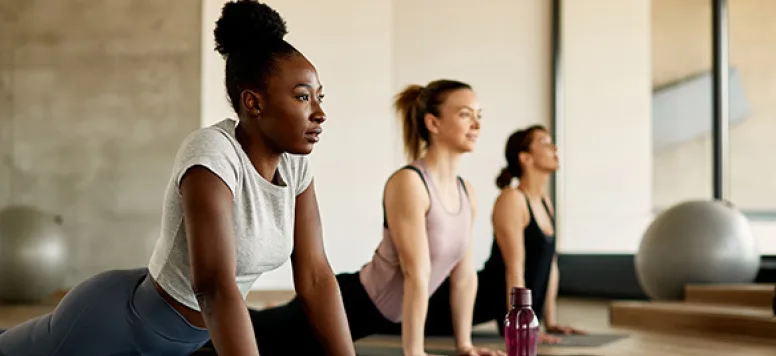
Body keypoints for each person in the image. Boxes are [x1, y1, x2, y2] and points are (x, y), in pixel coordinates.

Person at [0, 1, 355, 355]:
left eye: (320, 97)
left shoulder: (294, 167)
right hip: (111, 329)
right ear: (253, 102)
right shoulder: (212, 152)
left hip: (180, 341)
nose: (320, 113)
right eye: (303, 97)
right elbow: (214, 285)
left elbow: (315, 276)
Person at [243, 80, 504, 356]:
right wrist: (414, 352)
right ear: (433, 123)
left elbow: (464, 277)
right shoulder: (411, 183)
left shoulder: (466, 192)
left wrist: (465, 346)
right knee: (252, 333)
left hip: (380, 317)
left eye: (479, 115)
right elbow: (416, 272)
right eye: (465, 114)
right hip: (349, 304)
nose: (476, 124)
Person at [385, 125, 585, 344]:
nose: (554, 148)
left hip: (510, 306)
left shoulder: (545, 203)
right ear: (525, 158)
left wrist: (550, 320)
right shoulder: (512, 200)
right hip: (474, 302)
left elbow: (550, 264)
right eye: (545, 143)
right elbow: (514, 269)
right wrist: (519, 326)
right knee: (390, 320)